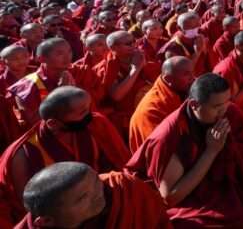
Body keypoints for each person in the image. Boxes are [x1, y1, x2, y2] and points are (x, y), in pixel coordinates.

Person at [126, 74, 243, 228]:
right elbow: (171, 197)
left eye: (226, 103)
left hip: (224, 181)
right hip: (191, 198)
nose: (224, 111)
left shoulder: (228, 111)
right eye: (217, 107)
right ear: (194, 105)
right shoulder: (173, 136)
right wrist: (211, 151)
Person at [0, 87, 129, 226]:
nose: (90, 115)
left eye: (88, 108)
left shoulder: (96, 124)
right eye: (82, 113)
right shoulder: (23, 154)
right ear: (53, 123)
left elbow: (118, 160)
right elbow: (29, 205)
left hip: (99, 202)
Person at [15, 161, 171, 229]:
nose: (98, 194)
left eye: (97, 182)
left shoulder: (121, 187)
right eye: (83, 197)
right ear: (46, 221)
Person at [96, 31, 158, 136]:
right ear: (114, 48)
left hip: (150, 109)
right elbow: (117, 96)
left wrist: (144, 65)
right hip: (128, 118)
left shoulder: (141, 56)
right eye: (128, 44)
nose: (134, 45)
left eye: (134, 41)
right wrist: (136, 69)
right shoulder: (107, 67)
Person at [128, 56, 195, 152]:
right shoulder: (151, 111)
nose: (192, 78)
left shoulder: (181, 89)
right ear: (168, 79)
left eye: (192, 72)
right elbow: (160, 149)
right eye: (186, 74)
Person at [8, 38, 75, 129]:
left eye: (69, 51)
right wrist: (60, 94)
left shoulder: (69, 74)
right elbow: (34, 122)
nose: (68, 57)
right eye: (60, 54)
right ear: (41, 58)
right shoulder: (27, 85)